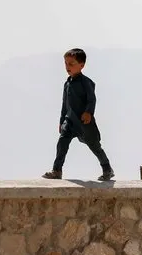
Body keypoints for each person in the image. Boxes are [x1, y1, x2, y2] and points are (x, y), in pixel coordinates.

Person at [42, 48, 115, 181]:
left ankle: (107, 169)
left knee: (95, 146)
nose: (67, 67)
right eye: (66, 63)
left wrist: (88, 112)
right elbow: (65, 104)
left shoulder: (86, 82)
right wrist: (61, 121)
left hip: (84, 122)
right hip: (69, 121)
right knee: (62, 143)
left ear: (81, 65)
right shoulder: (67, 84)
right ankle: (57, 170)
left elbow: (92, 99)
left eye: (71, 64)